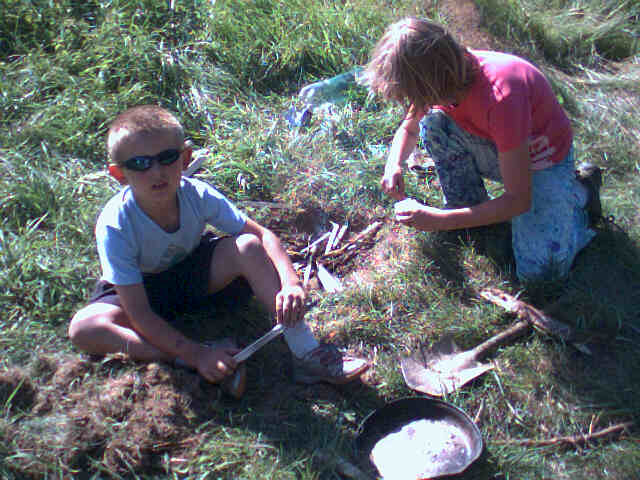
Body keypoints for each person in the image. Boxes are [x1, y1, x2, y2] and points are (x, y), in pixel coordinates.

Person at [68, 105, 368, 395]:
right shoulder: (115, 224)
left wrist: (291, 283)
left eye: (167, 158)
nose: (157, 172)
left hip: (191, 273)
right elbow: (140, 314)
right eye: (140, 164)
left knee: (247, 246)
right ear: (119, 174)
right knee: (85, 328)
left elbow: (261, 235)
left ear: (185, 158)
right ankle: (187, 359)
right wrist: (195, 353)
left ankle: (306, 352)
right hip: (139, 290)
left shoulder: (196, 195)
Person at [365, 17, 600, 282]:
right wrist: (393, 164)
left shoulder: (501, 97)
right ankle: (468, 206)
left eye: (416, 96)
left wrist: (440, 220)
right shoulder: (445, 77)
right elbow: (408, 129)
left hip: (542, 162)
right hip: (503, 147)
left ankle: (578, 194)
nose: (414, 103)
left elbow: (518, 200)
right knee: (433, 123)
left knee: (541, 273)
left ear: (433, 82)